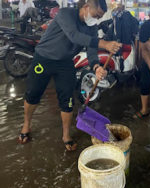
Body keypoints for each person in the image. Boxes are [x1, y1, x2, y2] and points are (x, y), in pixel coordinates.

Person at [18, 0, 122, 151]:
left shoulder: (91, 27)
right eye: (96, 15)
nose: (97, 19)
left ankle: (66, 135)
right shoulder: (65, 13)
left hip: (65, 63)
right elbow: (74, 36)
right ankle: (26, 124)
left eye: (100, 17)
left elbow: (92, 49)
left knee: (67, 100)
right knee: (33, 94)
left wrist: (96, 66)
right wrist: (104, 44)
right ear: (86, 7)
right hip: (44, 58)